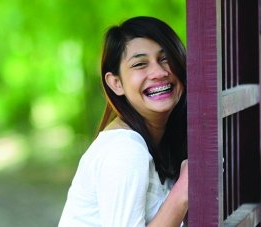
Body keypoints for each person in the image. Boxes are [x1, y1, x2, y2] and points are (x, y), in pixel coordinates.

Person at [58, 16, 188, 227]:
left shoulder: (163, 142)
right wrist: (182, 194)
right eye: (140, 64)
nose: (159, 72)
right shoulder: (125, 150)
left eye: (165, 59)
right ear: (116, 83)